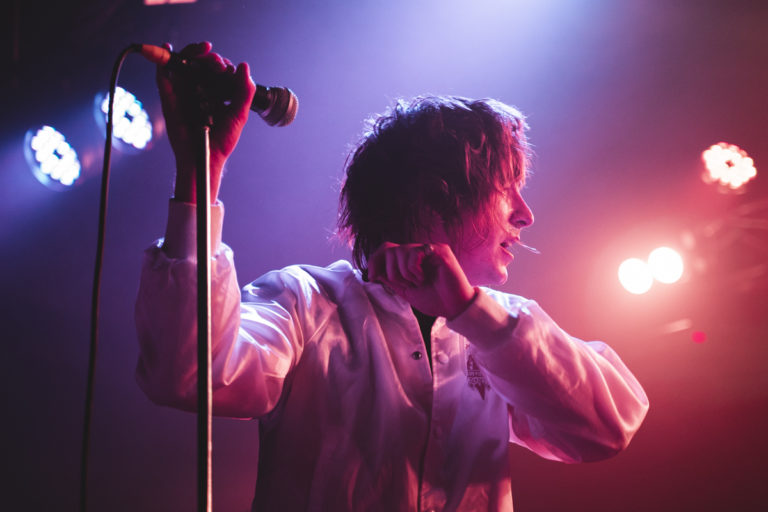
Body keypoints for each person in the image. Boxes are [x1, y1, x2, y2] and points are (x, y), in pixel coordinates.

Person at [135, 42, 649, 511]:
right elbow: (191, 374)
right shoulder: (306, 301)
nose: (525, 214)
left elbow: (607, 427)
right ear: (437, 195)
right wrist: (200, 172)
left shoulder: (501, 327)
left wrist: (473, 314)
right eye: (507, 188)